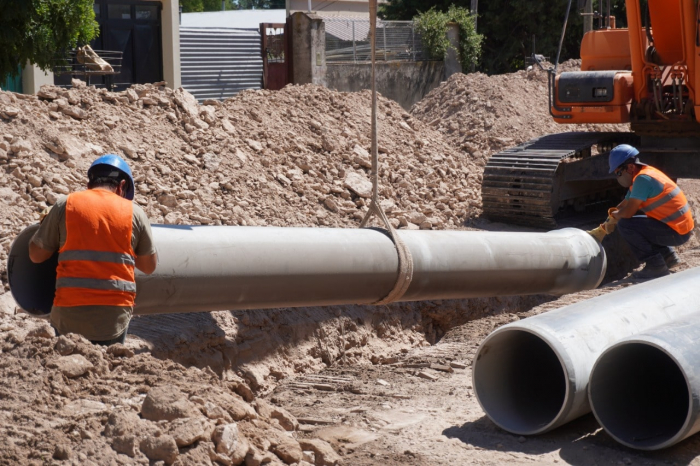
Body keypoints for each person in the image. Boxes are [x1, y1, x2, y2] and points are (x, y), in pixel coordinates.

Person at [28, 154, 157, 345]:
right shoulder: (135, 212)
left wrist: (47, 224)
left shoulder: (66, 204)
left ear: (90, 184)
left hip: (68, 316)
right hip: (114, 319)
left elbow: (36, 255)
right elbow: (149, 266)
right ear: (121, 186)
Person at [606, 144, 694, 279]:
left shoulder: (642, 180)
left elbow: (628, 212)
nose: (618, 176)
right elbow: (624, 203)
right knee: (640, 222)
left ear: (630, 167)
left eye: (618, 172)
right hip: (679, 228)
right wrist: (610, 216)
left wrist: (616, 217)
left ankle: (656, 266)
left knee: (626, 225)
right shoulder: (643, 174)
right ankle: (668, 256)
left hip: (677, 232)